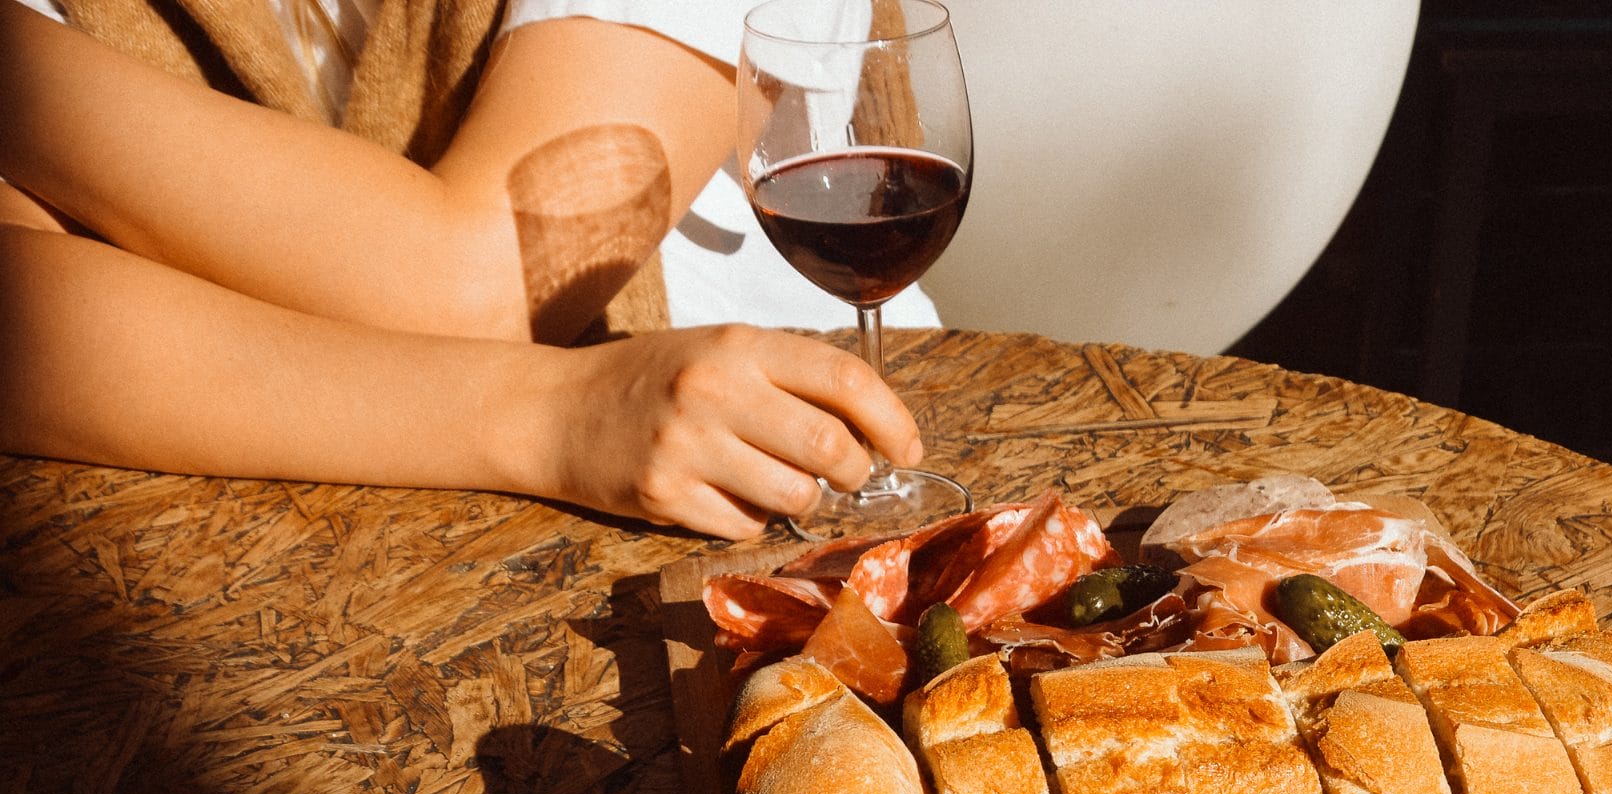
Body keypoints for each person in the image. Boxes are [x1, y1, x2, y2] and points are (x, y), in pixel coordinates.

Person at [0, 0, 929, 539]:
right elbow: (32, 318)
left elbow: (493, 282)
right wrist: (555, 414)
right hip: (319, 573)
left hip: (776, 479)